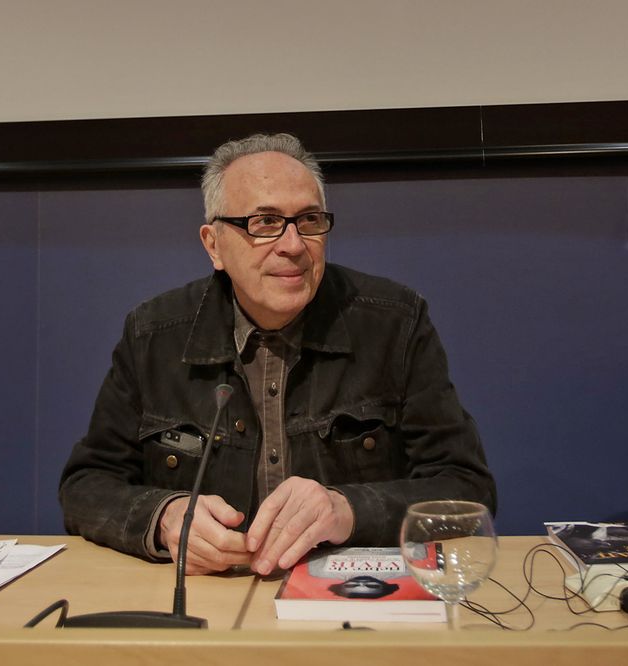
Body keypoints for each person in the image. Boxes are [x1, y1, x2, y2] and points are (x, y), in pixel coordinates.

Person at [59, 133, 496, 575]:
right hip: (210, 600)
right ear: (214, 245)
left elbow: (468, 490)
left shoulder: (394, 325)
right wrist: (165, 517)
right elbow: (86, 485)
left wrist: (347, 510)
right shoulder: (153, 335)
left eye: (308, 220)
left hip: (351, 599)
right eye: (265, 223)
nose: (293, 245)